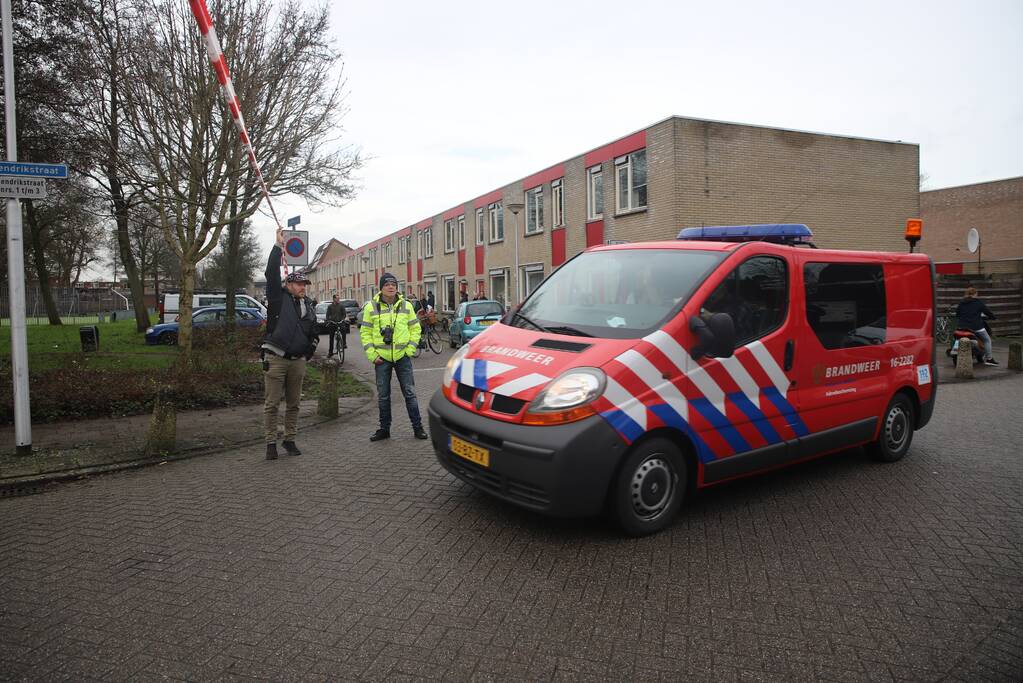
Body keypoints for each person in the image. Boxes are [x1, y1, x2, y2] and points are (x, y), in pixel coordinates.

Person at [261, 228, 319, 460]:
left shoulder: (309, 306)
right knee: (272, 404)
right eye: (299, 284)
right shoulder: (277, 297)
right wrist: (278, 247)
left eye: (305, 284)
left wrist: (309, 351)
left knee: (294, 404)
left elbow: (313, 332)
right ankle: (270, 443)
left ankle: (290, 440)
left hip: (297, 362)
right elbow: (270, 273)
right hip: (275, 359)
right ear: (288, 285)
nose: (303, 286)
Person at [361, 272, 429, 441]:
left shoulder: (406, 306)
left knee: (410, 393)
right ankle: (384, 429)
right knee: (383, 395)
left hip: (402, 357)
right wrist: (372, 355)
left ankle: (418, 428)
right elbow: (365, 333)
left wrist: (410, 350)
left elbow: (415, 329)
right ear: (381, 288)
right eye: (387, 284)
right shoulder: (371, 307)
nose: (391, 287)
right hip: (381, 358)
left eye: (393, 284)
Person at [956, 286, 998, 365]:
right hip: (976, 327)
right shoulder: (978, 302)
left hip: (962, 327)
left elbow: (957, 314)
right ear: (975, 294)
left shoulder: (962, 302)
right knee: (987, 340)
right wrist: (993, 317)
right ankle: (989, 359)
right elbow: (987, 312)